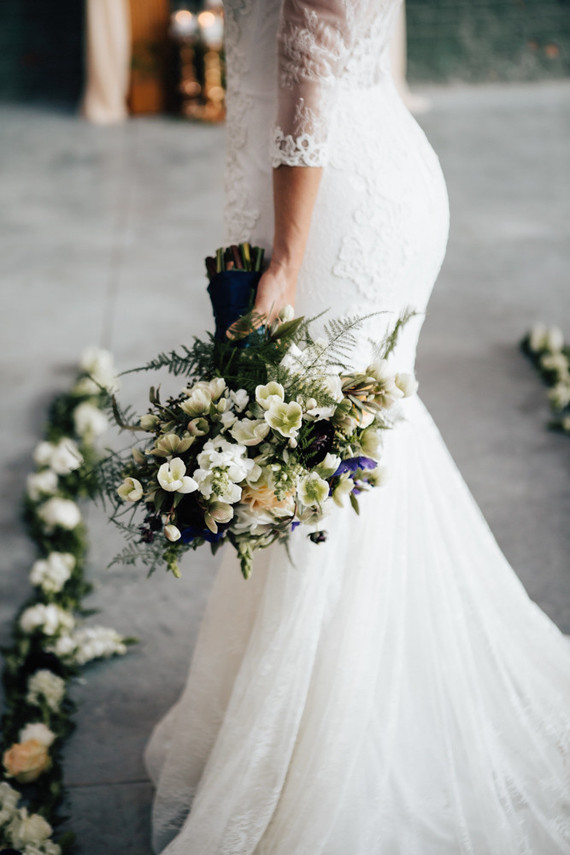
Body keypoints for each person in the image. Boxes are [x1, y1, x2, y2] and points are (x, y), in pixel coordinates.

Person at [145, 1, 570, 852]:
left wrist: (286, 264)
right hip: (351, 181)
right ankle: (350, 708)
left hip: (336, 204)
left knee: (326, 463)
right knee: (345, 457)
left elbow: (309, 79)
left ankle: (345, 746)